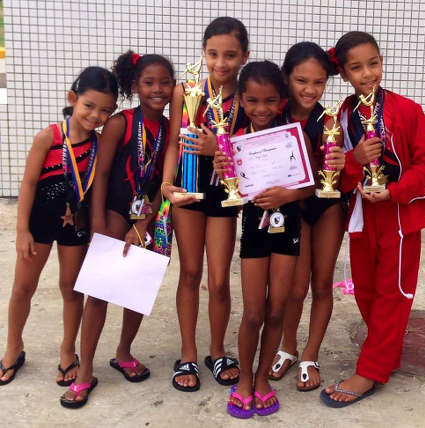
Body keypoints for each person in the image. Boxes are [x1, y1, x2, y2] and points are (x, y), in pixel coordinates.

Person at [320, 31, 425, 407]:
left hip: (399, 216)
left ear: (382, 62)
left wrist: (398, 190)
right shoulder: (341, 115)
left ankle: (371, 370)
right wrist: (355, 165)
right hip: (361, 216)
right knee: (366, 289)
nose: (368, 73)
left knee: (394, 293)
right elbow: (339, 172)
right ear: (343, 73)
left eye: (373, 63)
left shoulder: (406, 110)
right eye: (356, 67)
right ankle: (385, 354)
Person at [60, 51, 174, 408]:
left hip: (150, 214)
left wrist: (146, 221)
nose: (157, 89)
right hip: (111, 212)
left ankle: (124, 352)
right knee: (100, 291)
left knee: (137, 288)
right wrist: (97, 224)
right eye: (149, 82)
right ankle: (85, 370)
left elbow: (164, 180)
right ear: (135, 86)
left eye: (164, 82)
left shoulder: (171, 129)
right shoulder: (121, 123)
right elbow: (102, 175)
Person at [0, 67, 117, 387]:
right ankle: (13, 347)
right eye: (89, 106)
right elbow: (27, 184)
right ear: (72, 99)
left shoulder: (98, 145)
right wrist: (21, 229)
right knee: (23, 287)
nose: (96, 115)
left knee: (71, 288)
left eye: (106, 110)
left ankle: (68, 351)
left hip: (75, 225)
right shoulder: (48, 137)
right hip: (39, 221)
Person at [215, 60, 313, 418]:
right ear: (240, 99)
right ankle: (243, 379)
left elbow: (311, 185)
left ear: (282, 100)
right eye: (253, 101)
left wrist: (286, 196)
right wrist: (222, 169)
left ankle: (261, 379)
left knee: (276, 310)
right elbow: (233, 192)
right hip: (254, 230)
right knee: (254, 311)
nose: (261, 109)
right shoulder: (236, 140)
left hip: (288, 230)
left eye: (270, 101)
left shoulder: (293, 136)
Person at [161, 17, 249, 392]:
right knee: (190, 273)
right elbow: (172, 144)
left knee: (217, 279)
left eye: (230, 55)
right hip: (187, 188)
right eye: (213, 54)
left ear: (245, 56)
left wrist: (221, 148)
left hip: (224, 192)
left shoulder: (247, 96)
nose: (221, 62)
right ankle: (188, 353)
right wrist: (167, 183)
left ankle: (217, 350)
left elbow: (251, 149)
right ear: (203, 52)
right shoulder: (185, 90)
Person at [269, 42, 346, 392]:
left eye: (319, 82)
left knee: (322, 283)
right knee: (295, 288)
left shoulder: (330, 120)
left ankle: (310, 355)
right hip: (291, 207)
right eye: (301, 80)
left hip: (327, 205)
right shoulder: (273, 114)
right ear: (286, 77)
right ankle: (288, 345)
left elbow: (334, 174)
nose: (310, 90)